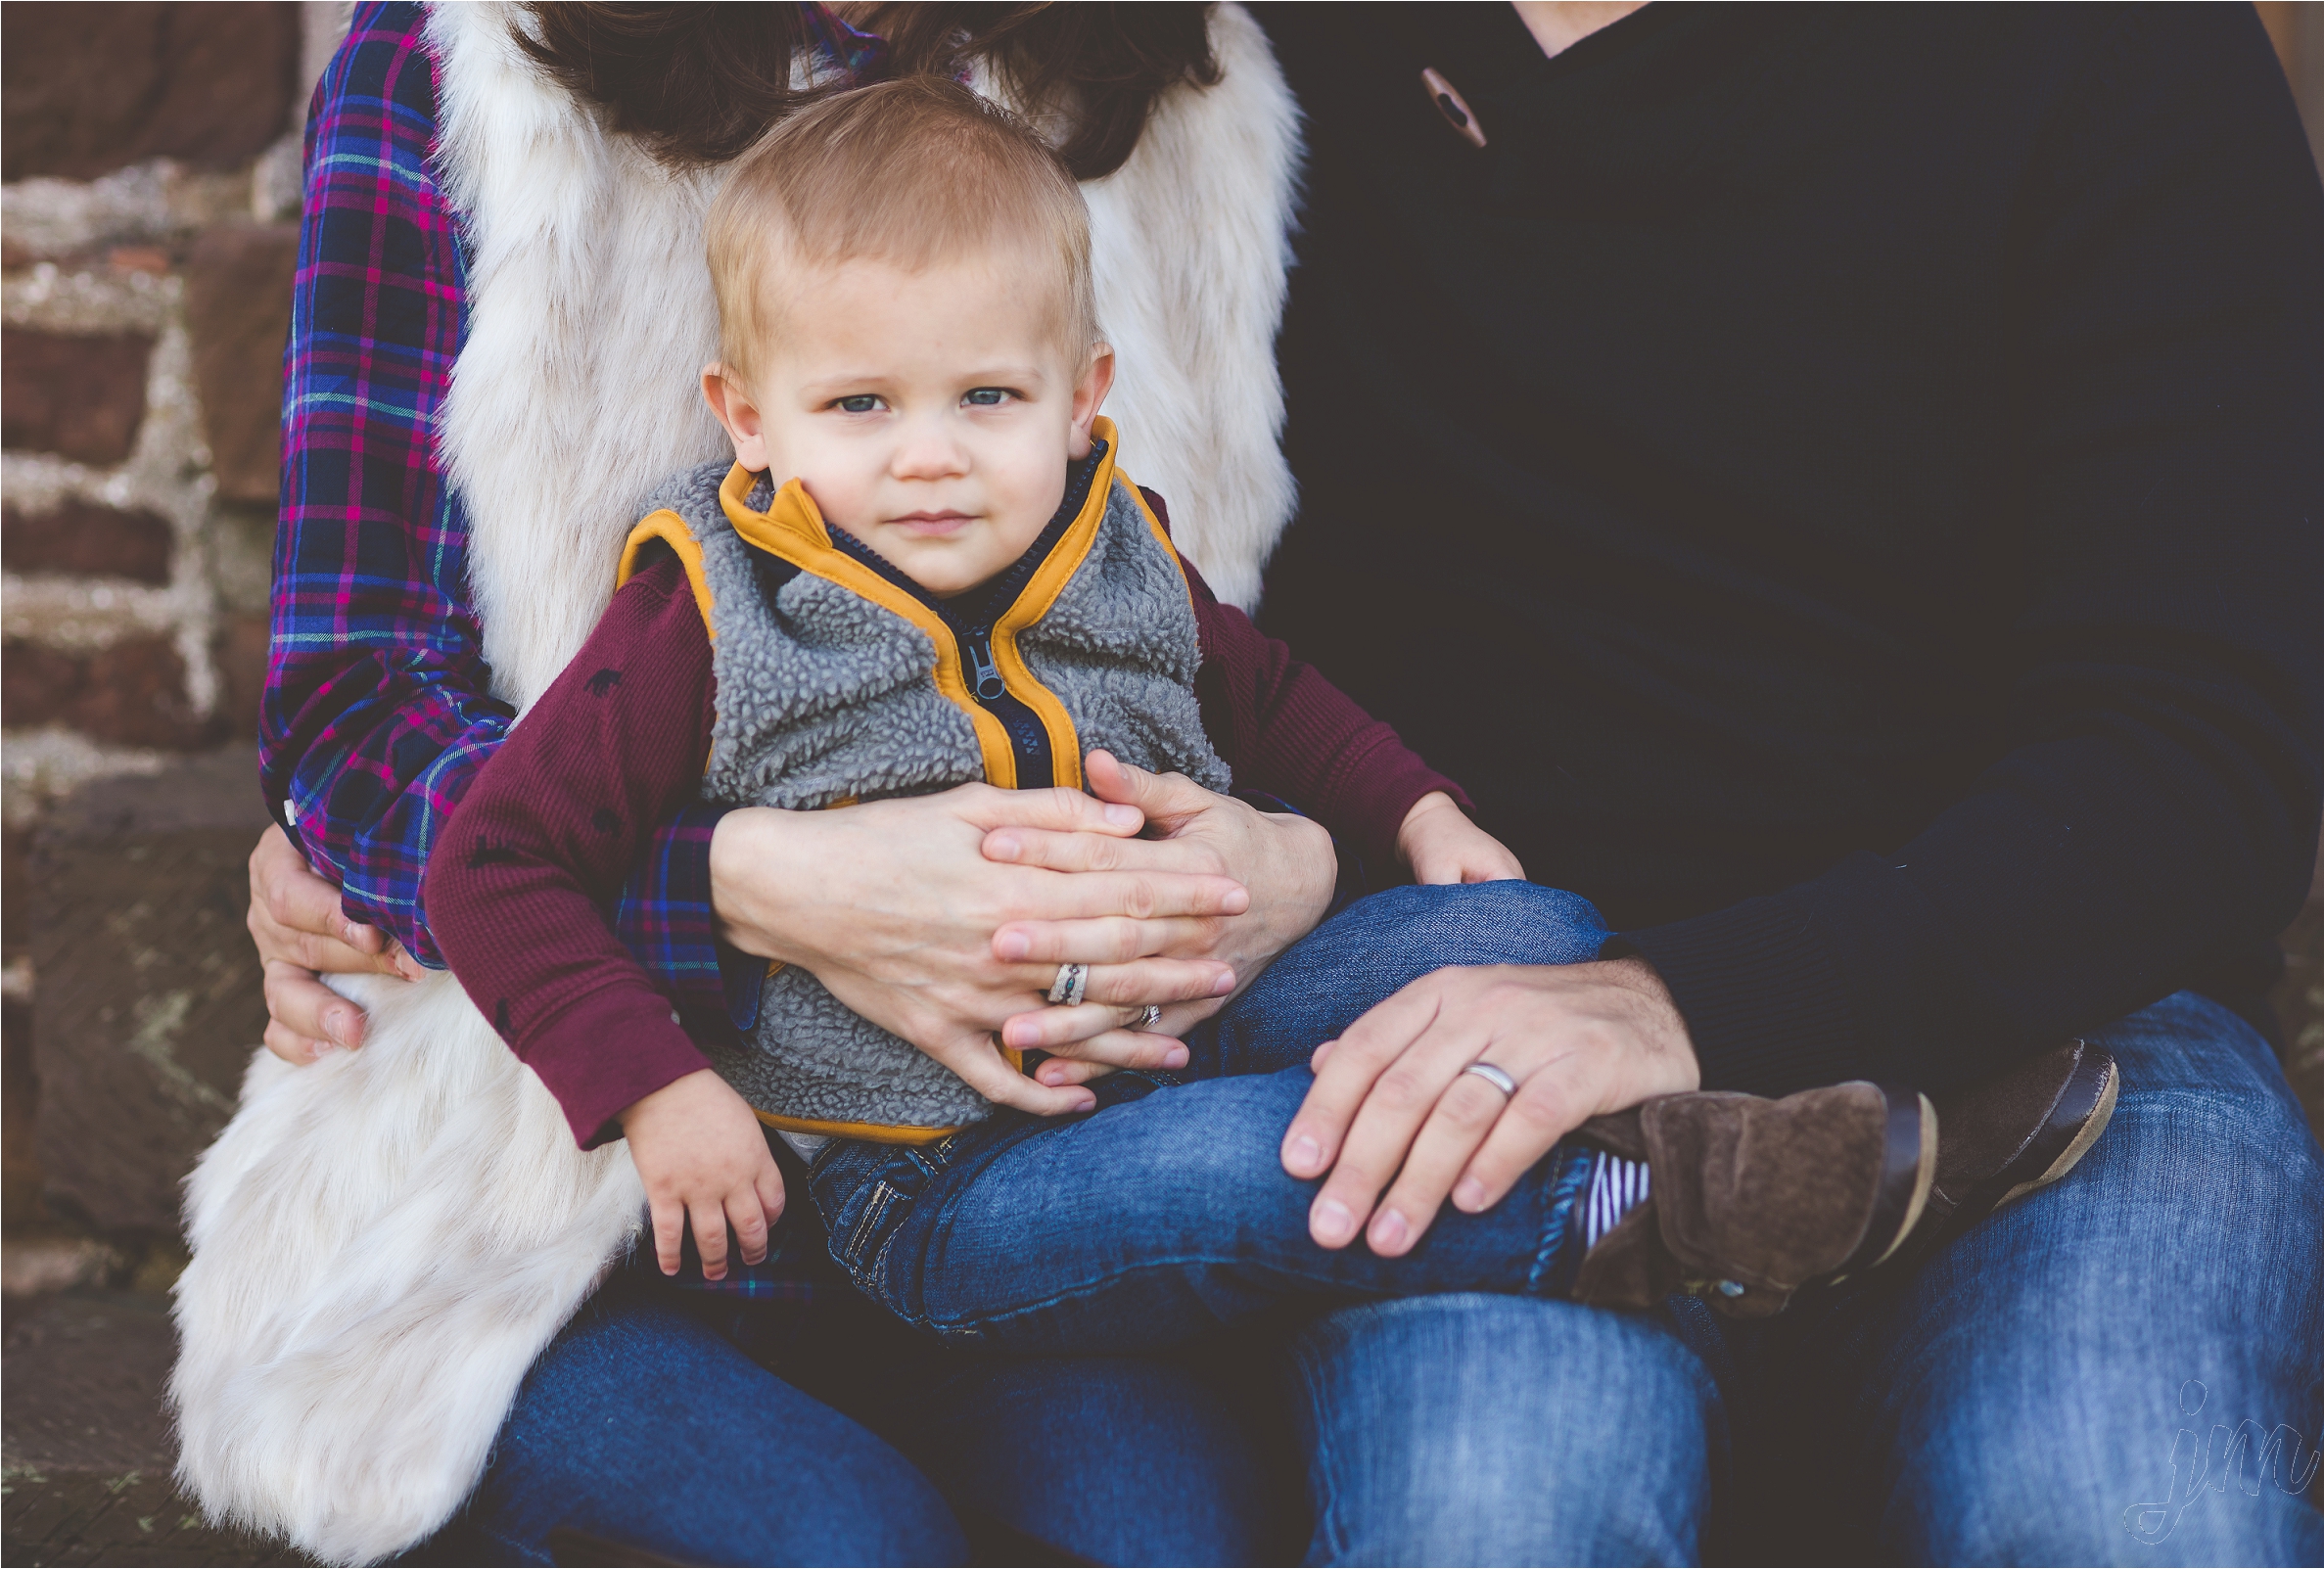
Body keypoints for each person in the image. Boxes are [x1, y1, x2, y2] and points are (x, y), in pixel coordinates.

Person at [240, 3, 2324, 1564]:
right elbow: (370, 710)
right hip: (1323, 1048)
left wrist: (1414, 898)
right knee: (1476, 1520)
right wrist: (641, 873)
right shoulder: (1262, 53)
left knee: (2126, 1505)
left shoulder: (2108, 50)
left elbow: (2193, 761)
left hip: (2005, 1047)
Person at [427, 71, 1977, 1346]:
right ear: (747, 421)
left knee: (1531, 938)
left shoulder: (1116, 546)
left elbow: (1277, 695)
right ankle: (1662, 1212)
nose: (930, 458)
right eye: (859, 408)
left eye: (987, 398)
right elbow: (492, 868)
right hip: (938, 1182)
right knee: (1263, 1162)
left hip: (1193, 1021)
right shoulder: (709, 606)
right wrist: (655, 1087)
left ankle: (1683, 1135)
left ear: (1084, 393)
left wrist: (1419, 814)